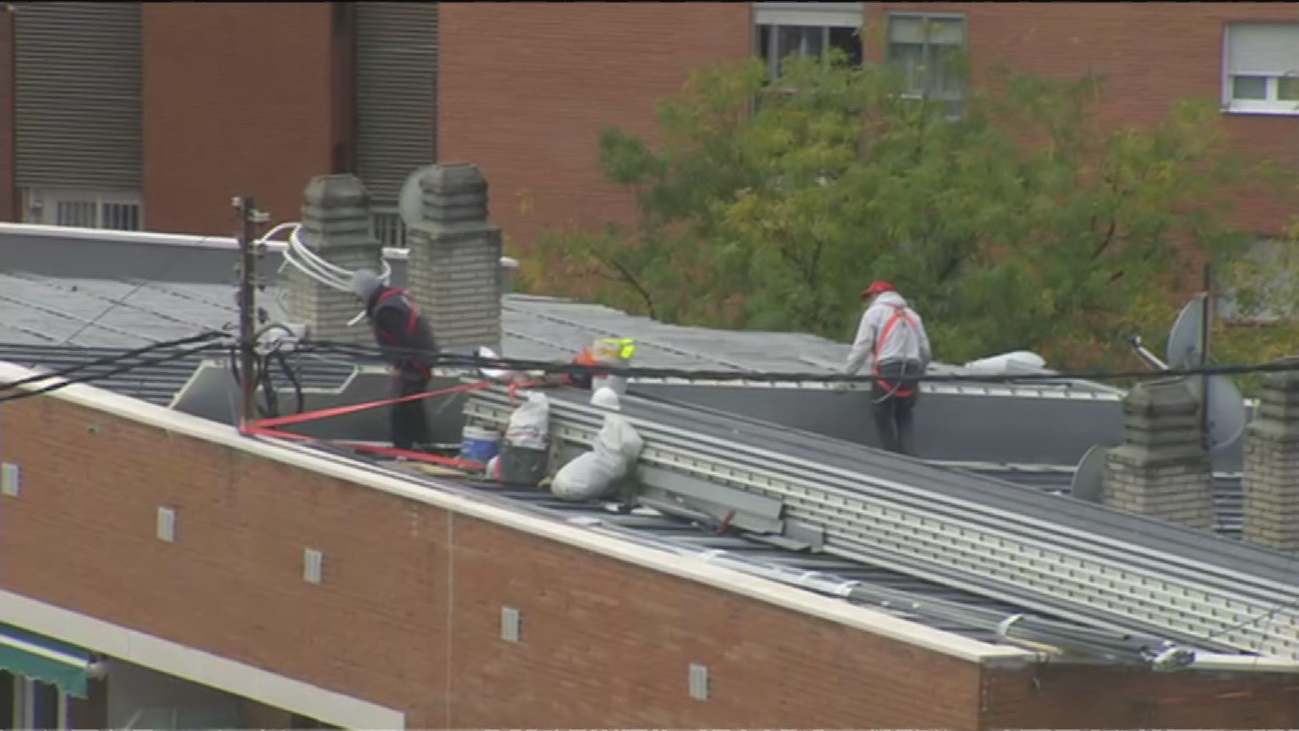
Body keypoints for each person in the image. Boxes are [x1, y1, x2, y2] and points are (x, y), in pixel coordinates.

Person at [349, 269, 439, 452]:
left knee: (401, 406)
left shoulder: (387, 310)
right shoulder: (395, 298)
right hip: (423, 357)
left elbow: (404, 343)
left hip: (414, 363)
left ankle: (404, 449)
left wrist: (400, 367)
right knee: (412, 404)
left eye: (359, 296)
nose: (359, 301)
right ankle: (421, 445)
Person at [843, 280, 931, 456]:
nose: (867, 302)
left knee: (881, 411)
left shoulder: (874, 313)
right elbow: (925, 351)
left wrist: (846, 376)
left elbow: (862, 347)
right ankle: (909, 456)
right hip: (912, 371)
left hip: (888, 370)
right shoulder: (913, 316)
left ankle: (891, 454)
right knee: (904, 413)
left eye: (869, 297)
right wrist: (919, 375)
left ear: (877, 295)